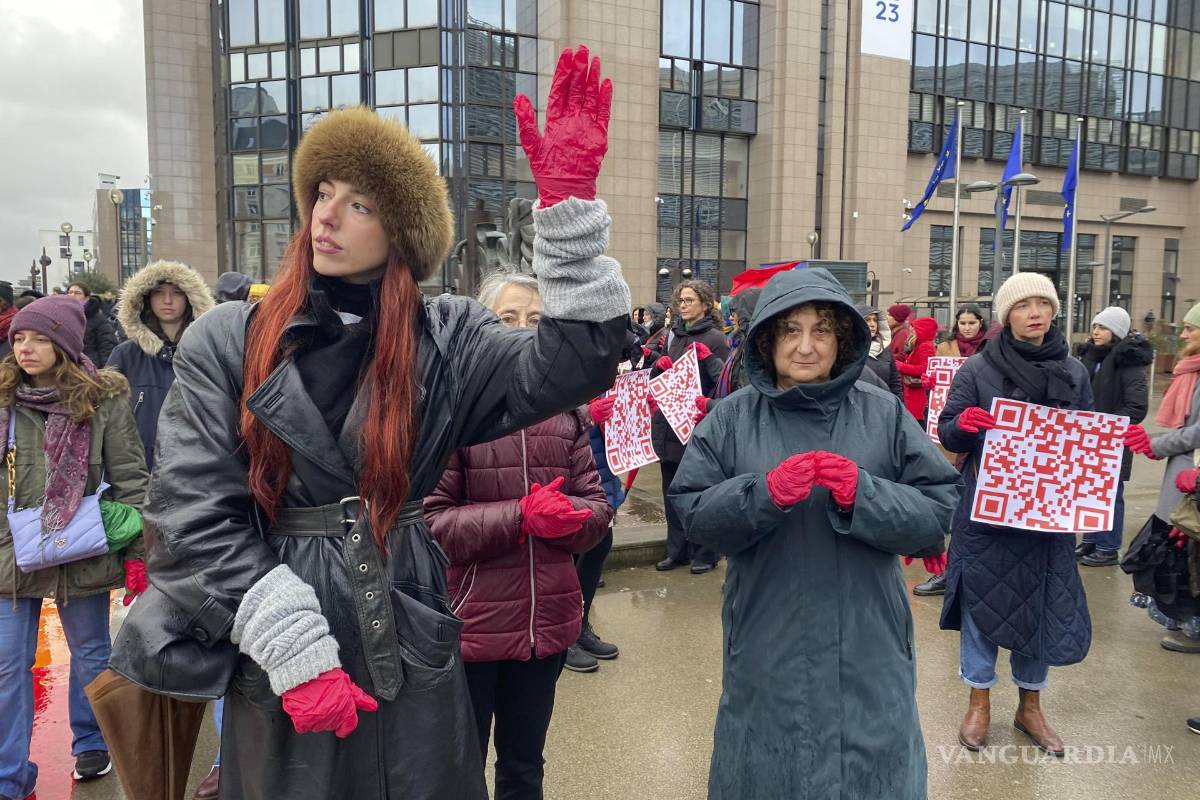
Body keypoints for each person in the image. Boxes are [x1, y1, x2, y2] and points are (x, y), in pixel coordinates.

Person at [109, 47, 629, 799]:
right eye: (323, 191)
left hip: (406, 611)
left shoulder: (447, 337)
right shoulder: (230, 338)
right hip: (276, 620)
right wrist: (289, 642)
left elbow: (572, 365)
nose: (325, 214)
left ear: (402, 233)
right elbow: (190, 508)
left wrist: (569, 215)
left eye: (359, 204)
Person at [669, 268, 961, 800]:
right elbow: (694, 513)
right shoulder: (730, 420)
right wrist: (763, 494)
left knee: (870, 768)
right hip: (767, 639)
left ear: (842, 338)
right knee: (770, 765)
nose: (806, 346)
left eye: (821, 330)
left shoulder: (883, 413)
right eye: (791, 330)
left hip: (871, 642)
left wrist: (863, 493)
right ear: (767, 339)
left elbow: (937, 510)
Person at [424, 271, 613, 797]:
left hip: (544, 627)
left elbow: (599, 510)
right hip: (470, 629)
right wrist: (519, 517)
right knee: (459, 771)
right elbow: (430, 525)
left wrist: (571, 518)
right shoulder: (451, 413)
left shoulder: (566, 413)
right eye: (508, 318)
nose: (523, 330)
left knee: (525, 766)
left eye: (536, 320)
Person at [938, 273, 1093, 757]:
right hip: (988, 509)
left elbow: (1088, 436)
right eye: (1023, 305)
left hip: (1048, 513)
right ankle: (978, 699)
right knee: (982, 601)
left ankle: (1031, 706)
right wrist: (964, 425)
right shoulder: (978, 368)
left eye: (1043, 303)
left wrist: (1114, 448)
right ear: (1007, 316)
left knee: (1040, 602)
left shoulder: (1074, 370)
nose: (1035, 313)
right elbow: (947, 430)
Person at [0, 296, 149, 798]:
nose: (25, 348)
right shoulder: (3, 398)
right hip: (9, 551)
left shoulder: (102, 398)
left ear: (63, 343)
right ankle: (9, 775)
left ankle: (91, 741)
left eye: (39, 338)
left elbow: (131, 477)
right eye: (19, 338)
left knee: (91, 652)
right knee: (7, 664)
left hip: (80, 546)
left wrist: (139, 553)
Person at [1125, 300, 1200, 659]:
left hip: (1192, 477)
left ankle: (1194, 625)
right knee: (1182, 549)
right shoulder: (1191, 371)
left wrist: (1155, 444)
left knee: (1191, 552)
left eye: (1190, 328)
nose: (1183, 334)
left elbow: (1196, 432)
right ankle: (1183, 617)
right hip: (1184, 473)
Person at [646, 279, 730, 574]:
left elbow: (724, 384)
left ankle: (706, 553)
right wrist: (658, 365)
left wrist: (708, 361)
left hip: (697, 426)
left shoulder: (716, 338)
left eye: (689, 300)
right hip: (669, 425)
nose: (683, 305)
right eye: (681, 300)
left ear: (705, 304)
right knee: (671, 493)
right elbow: (660, 378)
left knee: (701, 493)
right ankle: (677, 550)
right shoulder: (672, 335)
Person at [106, 260, 215, 471]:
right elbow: (106, 418)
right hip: (139, 468)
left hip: (196, 468)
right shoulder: (125, 355)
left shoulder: (208, 354)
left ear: (190, 297)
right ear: (145, 298)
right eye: (158, 292)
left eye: (177, 292)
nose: (167, 300)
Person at [1072, 307, 1151, 568]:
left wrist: (1105, 426)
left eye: (1103, 327)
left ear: (1117, 332)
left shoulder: (1129, 362)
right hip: (1086, 437)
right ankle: (1091, 540)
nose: (1096, 331)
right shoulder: (1089, 357)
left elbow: (1136, 407)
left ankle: (1108, 547)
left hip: (1111, 440)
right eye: (1095, 326)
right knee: (1088, 491)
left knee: (1110, 494)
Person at [895, 316, 939, 422]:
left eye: (914, 328)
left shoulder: (925, 346)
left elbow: (925, 368)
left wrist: (901, 366)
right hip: (914, 392)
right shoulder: (919, 345)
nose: (911, 330)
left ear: (922, 330)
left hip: (917, 394)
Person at [65, 283, 118, 366]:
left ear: (86, 297)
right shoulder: (62, 316)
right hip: (67, 365)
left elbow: (107, 345)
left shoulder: (97, 318)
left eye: (78, 293)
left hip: (89, 365)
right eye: (70, 292)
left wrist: (106, 369)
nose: (73, 295)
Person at [857, 304, 902, 398]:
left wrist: (897, 404)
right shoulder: (848, 349)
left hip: (883, 402)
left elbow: (895, 382)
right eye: (867, 320)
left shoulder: (884, 349)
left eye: (875, 320)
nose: (872, 324)